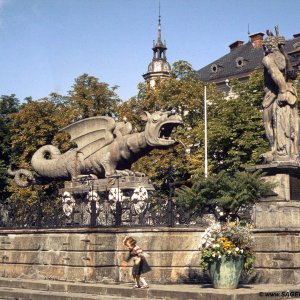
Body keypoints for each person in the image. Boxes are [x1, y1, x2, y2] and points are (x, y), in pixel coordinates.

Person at [261, 26, 298, 162]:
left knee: (270, 123)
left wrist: (282, 91)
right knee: (286, 124)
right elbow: (287, 73)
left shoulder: (269, 58)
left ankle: (275, 149)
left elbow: (278, 74)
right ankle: (283, 150)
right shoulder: (279, 57)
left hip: (276, 95)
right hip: (285, 94)